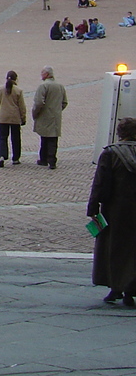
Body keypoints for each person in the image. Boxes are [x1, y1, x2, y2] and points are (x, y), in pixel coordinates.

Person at [88, 117, 136, 306]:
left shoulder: (110, 154)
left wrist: (93, 207)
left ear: (120, 133)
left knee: (114, 248)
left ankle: (116, 287)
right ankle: (130, 289)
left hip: (115, 209)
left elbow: (99, 183)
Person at [32, 67, 67, 170]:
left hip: (45, 115)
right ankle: (52, 160)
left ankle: (43, 159)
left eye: (42, 73)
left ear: (46, 74)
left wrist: (35, 113)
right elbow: (64, 102)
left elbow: (38, 102)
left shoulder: (43, 86)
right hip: (55, 116)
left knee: (44, 137)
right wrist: (58, 110)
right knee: (53, 138)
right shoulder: (60, 86)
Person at [0, 70, 27, 167]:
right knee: (15, 138)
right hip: (14, 118)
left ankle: (2, 156)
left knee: (3, 137)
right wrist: (23, 118)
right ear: (16, 79)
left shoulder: (0, 89)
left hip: (3, 117)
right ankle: (15, 158)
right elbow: (22, 106)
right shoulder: (18, 91)